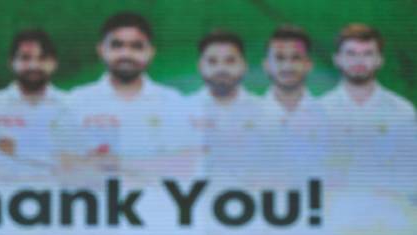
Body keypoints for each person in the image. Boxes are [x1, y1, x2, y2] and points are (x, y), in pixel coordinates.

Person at [320, 23, 417, 235]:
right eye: (351, 53)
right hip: (335, 226)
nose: (358, 61)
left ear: (379, 59)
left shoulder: (402, 112)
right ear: (338, 58)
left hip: (392, 225)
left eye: (367, 54)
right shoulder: (319, 112)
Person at [68, 12, 193, 178]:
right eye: (117, 45)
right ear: (100, 50)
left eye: (137, 46)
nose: (126, 54)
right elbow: (65, 165)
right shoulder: (76, 102)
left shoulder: (172, 102)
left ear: (151, 52)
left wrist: (117, 164)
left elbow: (185, 166)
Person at [0, 29, 79, 179]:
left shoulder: (71, 106)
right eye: (25, 58)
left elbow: (77, 163)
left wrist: (17, 149)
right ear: (11, 63)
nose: (33, 65)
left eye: (42, 58)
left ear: (54, 63)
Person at [187, 29, 262, 183]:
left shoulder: (264, 111)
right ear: (200, 66)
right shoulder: (182, 110)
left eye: (230, 61)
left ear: (244, 65)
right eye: (212, 62)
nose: (221, 69)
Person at [258, 25, 327, 184]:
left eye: (296, 58)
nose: (288, 66)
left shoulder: (329, 117)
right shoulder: (246, 118)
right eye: (279, 58)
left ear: (308, 64)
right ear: (266, 65)